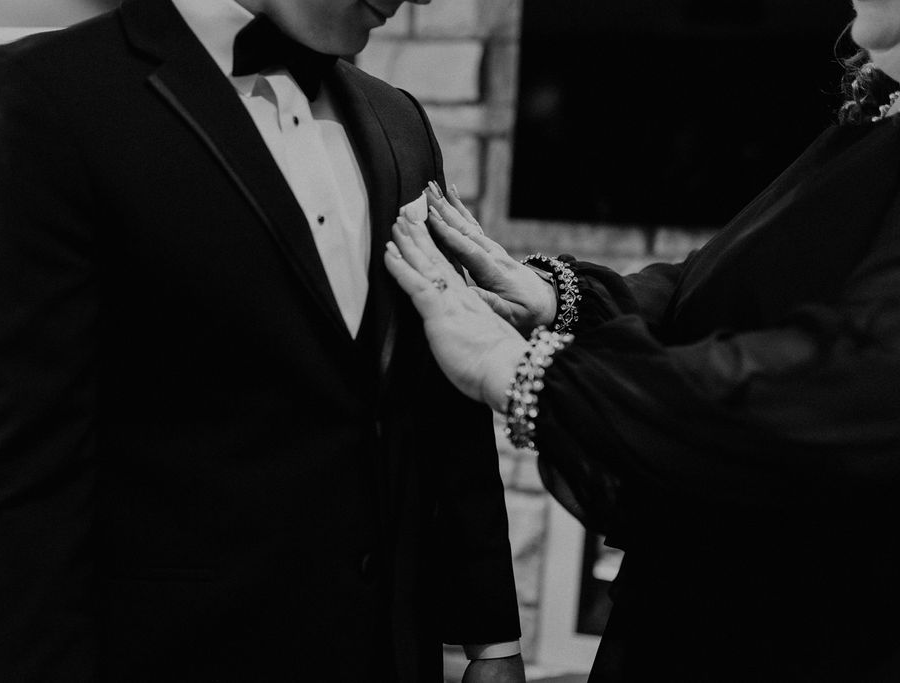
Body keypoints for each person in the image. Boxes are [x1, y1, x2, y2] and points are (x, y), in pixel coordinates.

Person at [0, 0, 526, 681]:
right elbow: (6, 492)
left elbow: (443, 399)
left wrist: (492, 637)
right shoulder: (44, 99)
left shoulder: (400, 121)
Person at [383, 3, 900, 680]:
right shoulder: (873, 126)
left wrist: (524, 370)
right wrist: (557, 302)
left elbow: (849, 382)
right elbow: (725, 291)